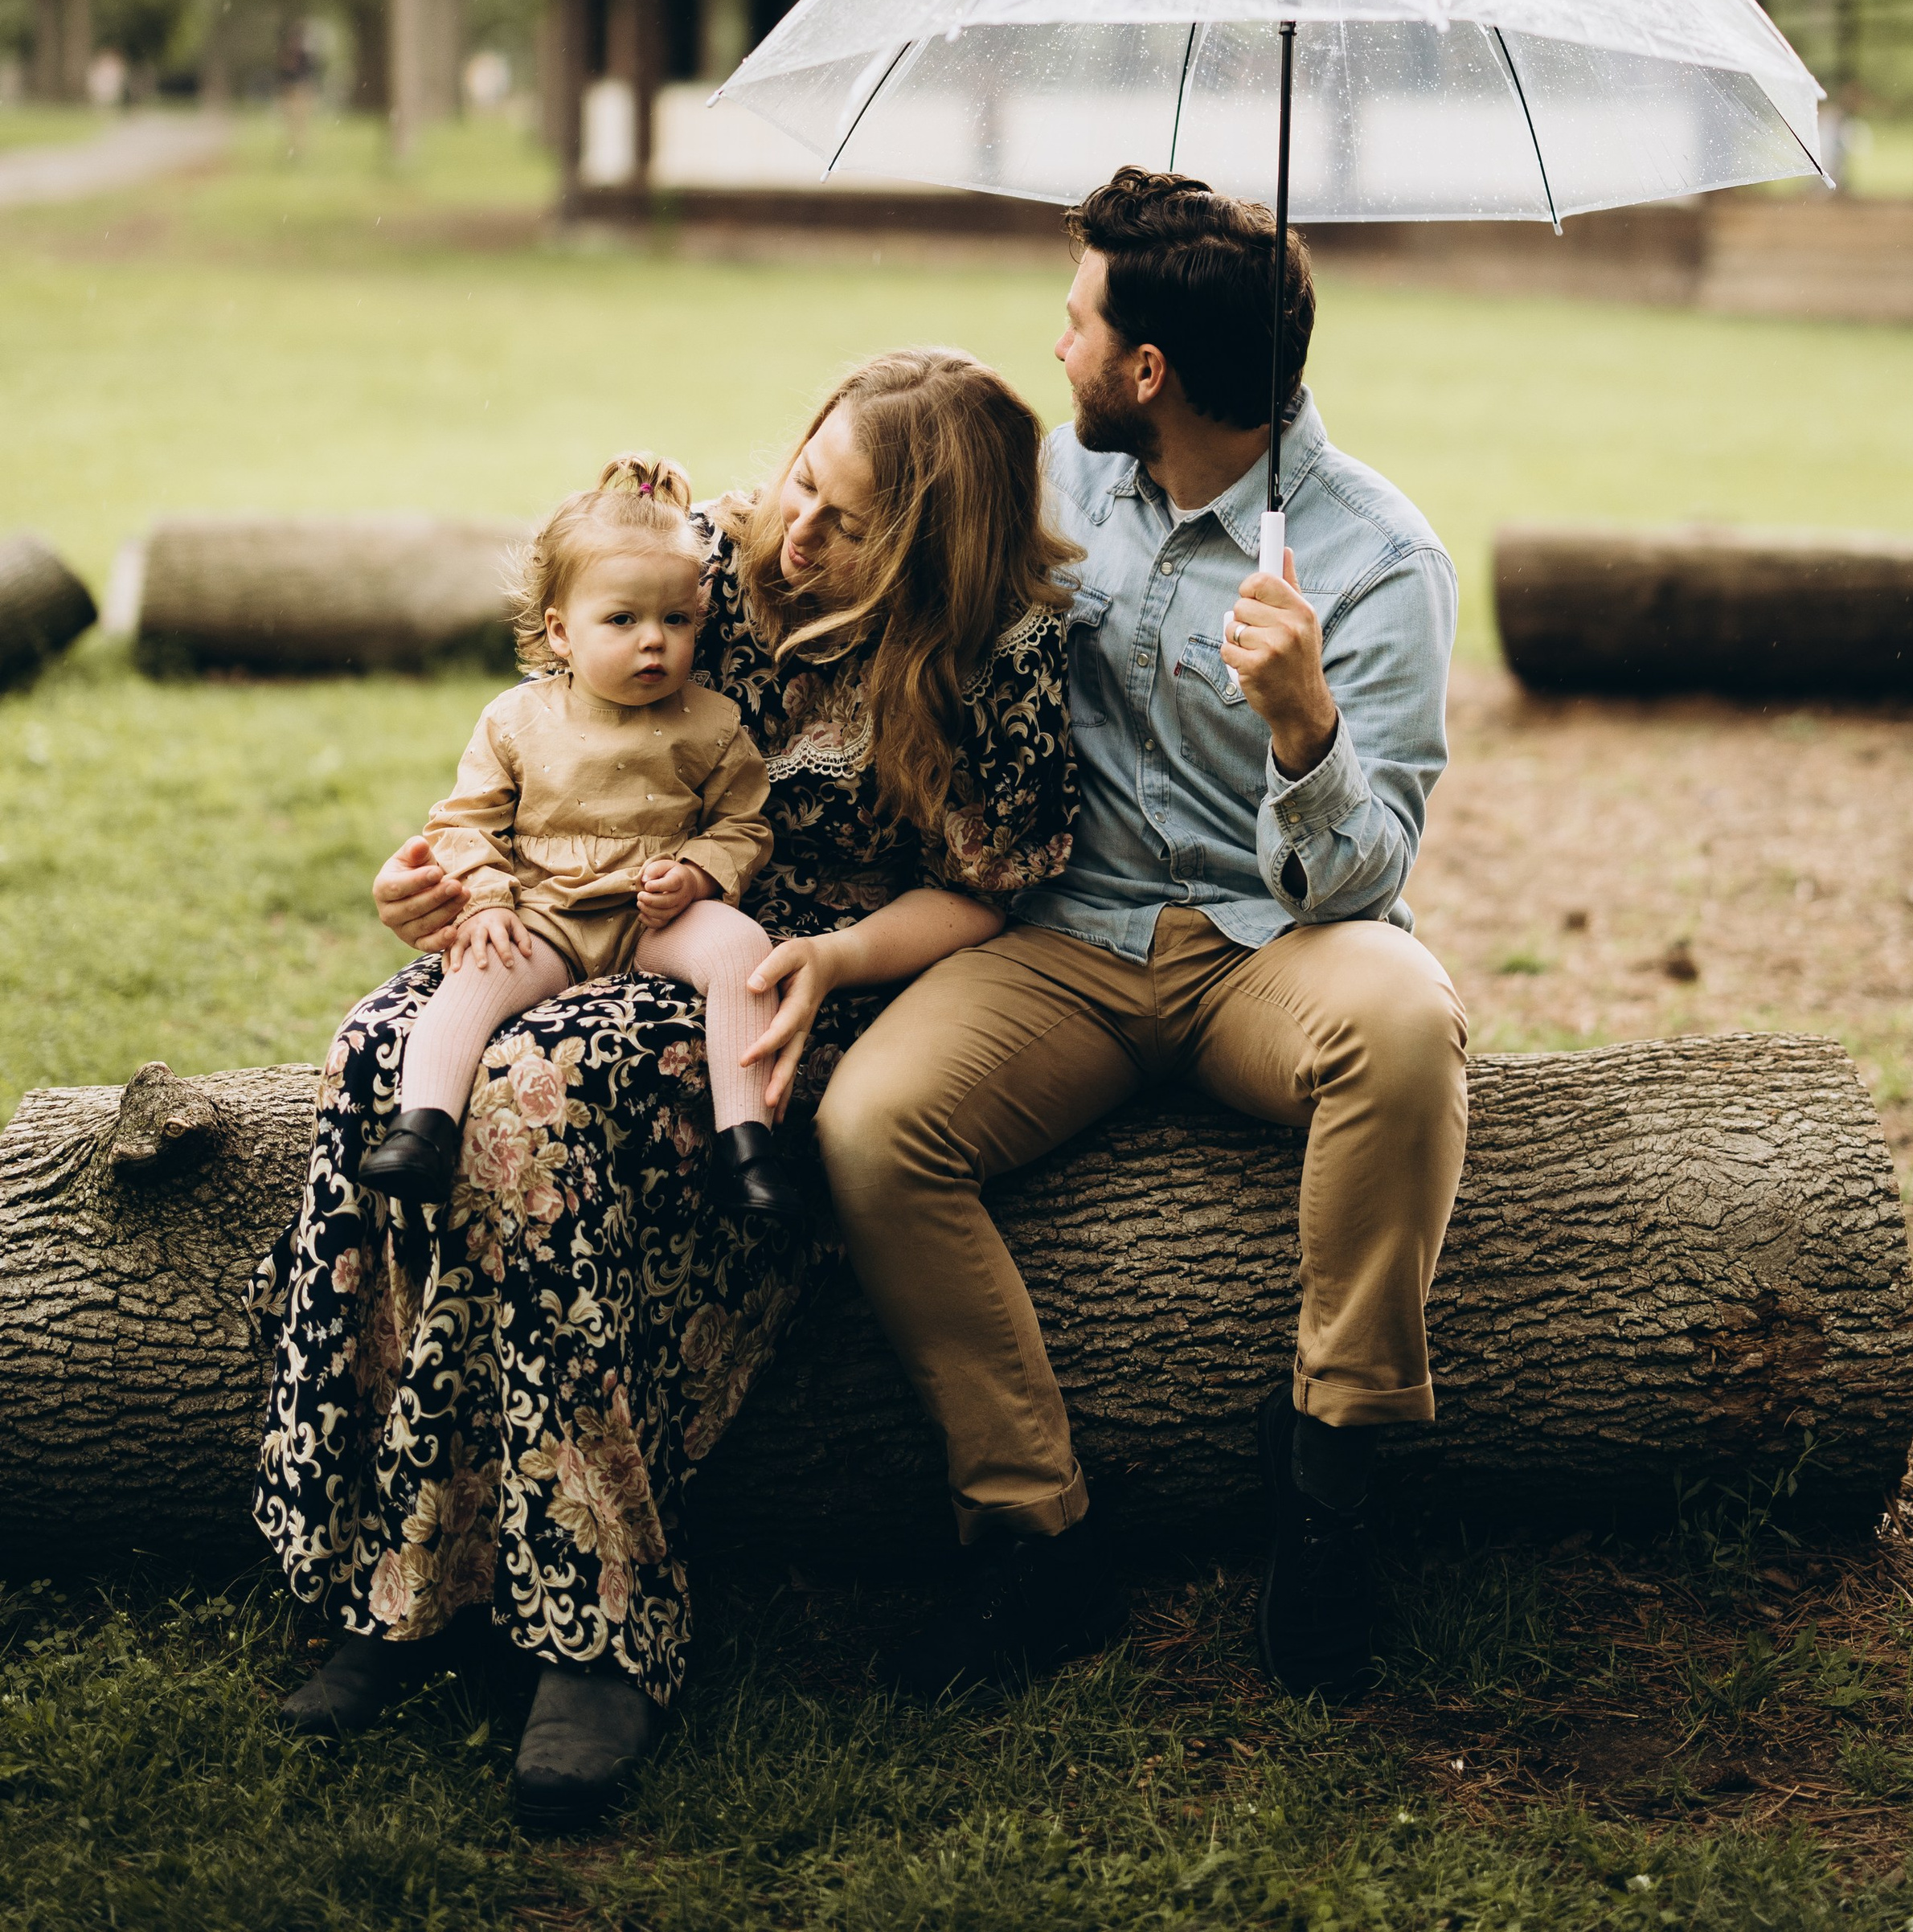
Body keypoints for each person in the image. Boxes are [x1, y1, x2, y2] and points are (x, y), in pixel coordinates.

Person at [253, 350, 1078, 1826]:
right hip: (579, 911)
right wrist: (429, 886)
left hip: (792, 967)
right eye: (804, 482)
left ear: (930, 548)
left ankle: (596, 1625)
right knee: (380, 1052)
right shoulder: (709, 559)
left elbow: (985, 889)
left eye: (847, 524)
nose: (795, 534)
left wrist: (831, 956)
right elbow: (544, 733)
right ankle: (402, 1576)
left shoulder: (1000, 655)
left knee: (541, 1098)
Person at [814, 167, 1469, 1701]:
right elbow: (879, 552)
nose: (1058, 346)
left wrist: (1305, 728)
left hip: (1271, 948)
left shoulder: (1382, 562)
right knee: (872, 1128)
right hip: (1073, 941)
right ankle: (1032, 1532)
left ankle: (1331, 1468)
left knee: (1405, 1020)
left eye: (1079, 323)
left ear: (1150, 371)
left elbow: (1367, 876)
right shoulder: (1056, 485)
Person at [358, 452, 796, 1229]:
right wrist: (486, 901)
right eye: (622, 621)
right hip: (546, 914)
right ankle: (423, 1127)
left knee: (742, 951)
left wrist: (697, 875)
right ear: (561, 632)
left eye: (676, 620)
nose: (654, 642)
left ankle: (748, 1146)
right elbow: (465, 822)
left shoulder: (712, 723)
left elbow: (743, 823)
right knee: (474, 973)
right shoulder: (516, 720)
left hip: (654, 916)